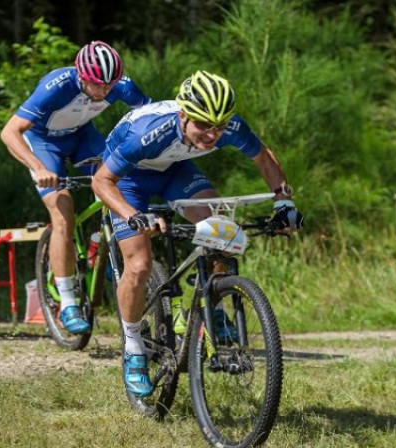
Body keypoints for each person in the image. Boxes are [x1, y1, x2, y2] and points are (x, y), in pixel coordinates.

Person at [92, 70, 303, 396]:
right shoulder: (149, 133)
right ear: (183, 115)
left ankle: (213, 305)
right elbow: (102, 181)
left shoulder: (228, 126)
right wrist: (135, 216)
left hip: (175, 171)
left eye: (219, 127)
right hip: (127, 179)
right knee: (138, 265)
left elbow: (263, 157)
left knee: (221, 231)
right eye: (203, 125)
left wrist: (284, 202)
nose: (212, 135)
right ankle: (134, 348)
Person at [0, 41, 151, 334]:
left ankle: (100, 242)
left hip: (82, 136)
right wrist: (39, 168)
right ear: (81, 75)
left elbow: (150, 116)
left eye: (110, 85)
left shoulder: (121, 85)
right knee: (64, 212)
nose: (105, 91)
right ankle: (67, 300)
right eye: (97, 85)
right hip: (45, 144)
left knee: (120, 185)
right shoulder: (55, 86)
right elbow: (9, 131)